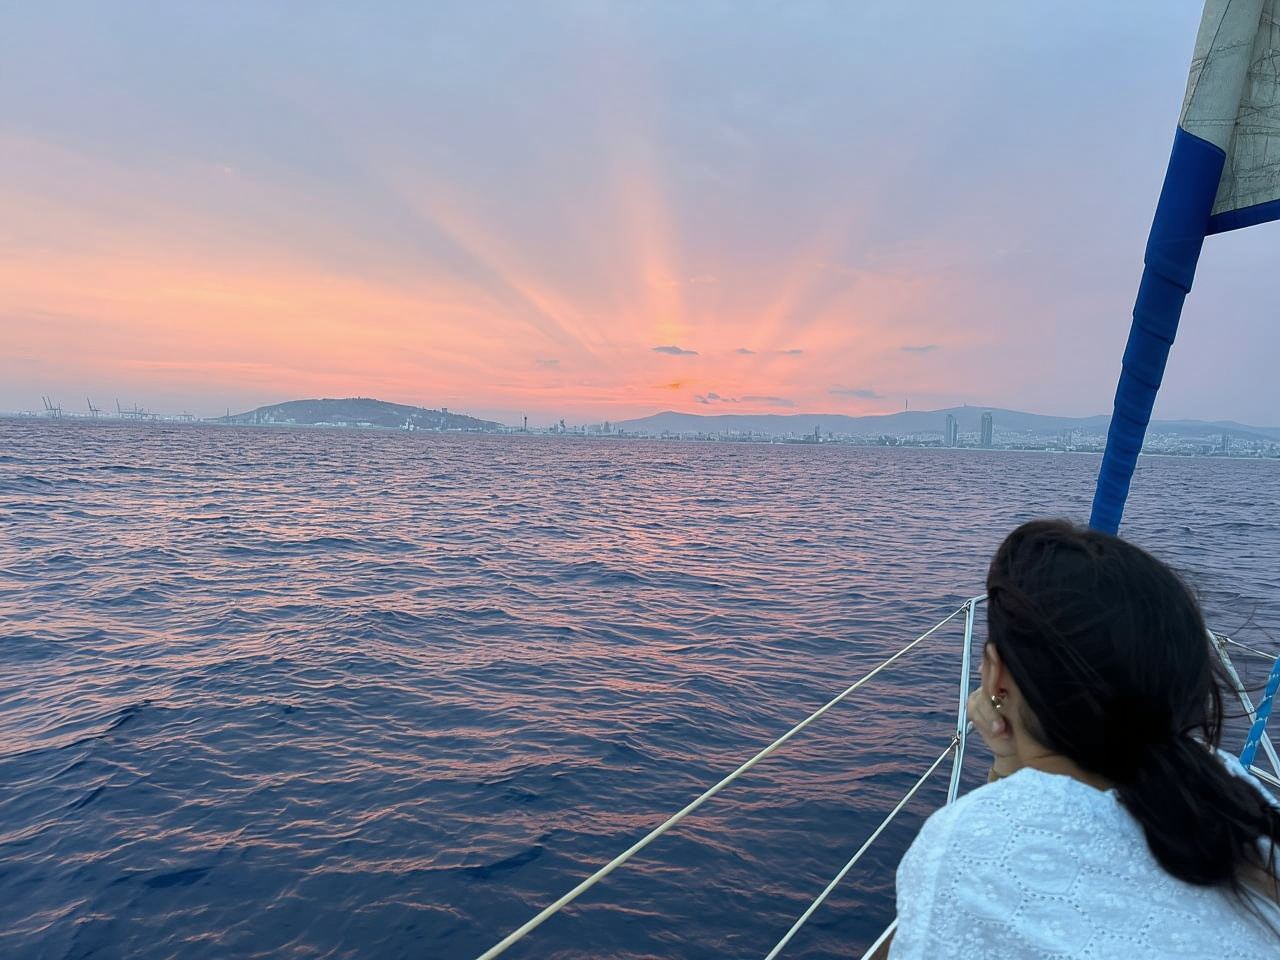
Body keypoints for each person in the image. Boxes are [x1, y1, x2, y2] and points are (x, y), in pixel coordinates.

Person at [888, 520, 1280, 958]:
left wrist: (1009, 769)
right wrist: (1011, 765)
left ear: (997, 678)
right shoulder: (1228, 787)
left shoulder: (963, 841)